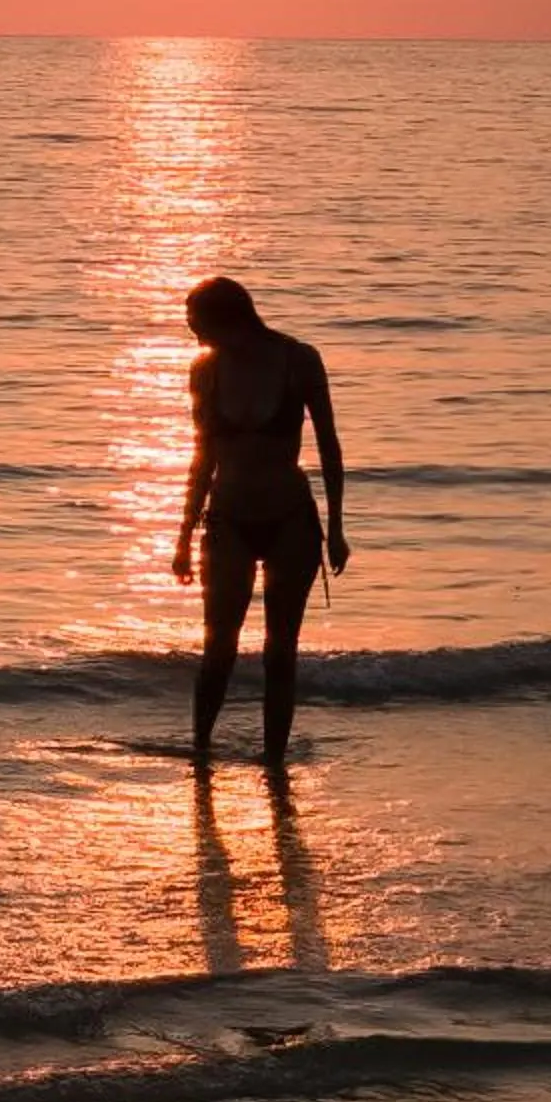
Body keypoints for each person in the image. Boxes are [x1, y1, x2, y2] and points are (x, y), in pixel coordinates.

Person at [171, 276, 347, 774]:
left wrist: (336, 528)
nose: (190, 329)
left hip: (291, 520)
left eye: (195, 320)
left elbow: (329, 448)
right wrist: (183, 537)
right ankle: (200, 756)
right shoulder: (204, 372)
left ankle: (274, 765)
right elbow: (202, 457)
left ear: (227, 317)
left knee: (279, 651)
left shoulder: (298, 361)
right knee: (217, 648)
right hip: (227, 520)